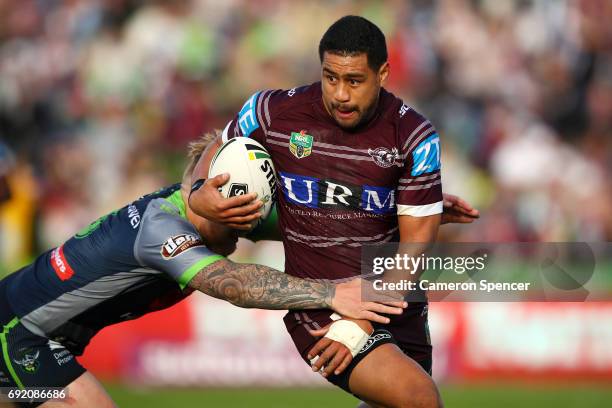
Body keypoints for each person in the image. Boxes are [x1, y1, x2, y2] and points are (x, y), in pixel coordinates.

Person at [189, 15, 479, 408]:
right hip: (322, 304)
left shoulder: (414, 136)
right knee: (419, 399)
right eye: (330, 77)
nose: (340, 93)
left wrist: (363, 322)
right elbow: (218, 148)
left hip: (394, 300)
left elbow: (415, 249)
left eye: (354, 81)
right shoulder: (271, 111)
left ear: (383, 74)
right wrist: (197, 192)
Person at [0, 134, 406, 408]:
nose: (244, 231)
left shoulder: (204, 211)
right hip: (17, 335)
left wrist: (413, 209)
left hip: (44, 339)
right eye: (238, 222)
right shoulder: (163, 229)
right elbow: (234, 284)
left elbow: (314, 224)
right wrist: (333, 294)